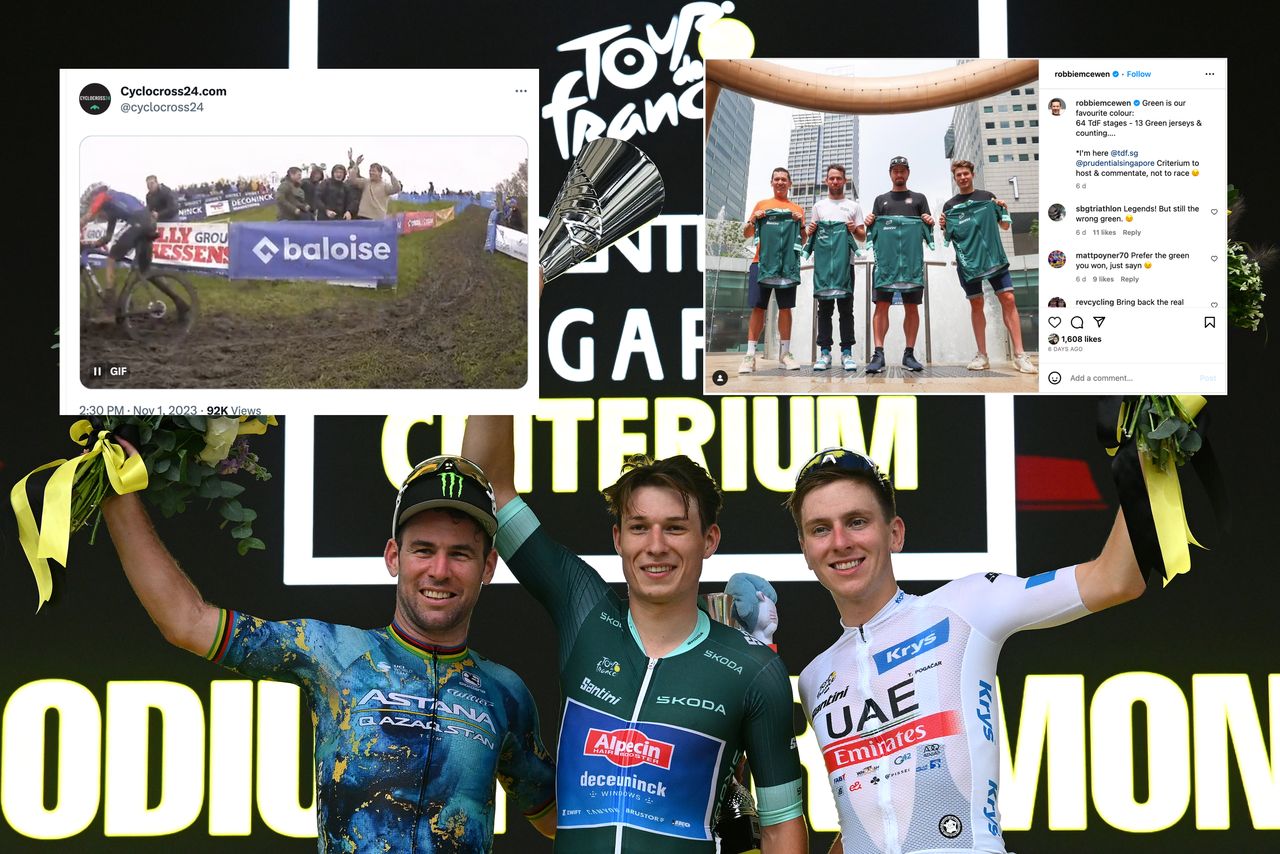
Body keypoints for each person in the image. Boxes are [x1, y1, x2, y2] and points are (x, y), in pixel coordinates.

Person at [99, 451, 557, 852]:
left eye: (460, 554)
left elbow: (558, 821)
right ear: (394, 556)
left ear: (488, 567)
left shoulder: (505, 694)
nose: (440, 570)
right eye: (423, 550)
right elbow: (188, 622)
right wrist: (116, 492)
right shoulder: (330, 653)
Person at [461, 416, 809, 853]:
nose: (656, 545)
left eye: (676, 527)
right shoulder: (584, 609)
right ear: (618, 538)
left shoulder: (755, 669)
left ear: (709, 539)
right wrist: (499, 386)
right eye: (639, 527)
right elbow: (488, 485)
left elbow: (781, 827)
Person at [786, 448, 1143, 854]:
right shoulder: (816, 677)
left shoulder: (967, 605)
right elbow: (866, 821)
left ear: (895, 533)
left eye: (856, 522)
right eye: (820, 529)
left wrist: (1146, 463)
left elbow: (1115, 580)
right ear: (805, 550)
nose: (840, 542)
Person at [939, 160, 1037, 374]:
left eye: (966, 173)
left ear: (972, 174)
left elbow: (1004, 225)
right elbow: (947, 238)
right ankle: (982, 355)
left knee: (1009, 299)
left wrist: (1004, 209)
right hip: (968, 263)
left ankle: (1020, 355)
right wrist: (944, 226)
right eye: (959, 175)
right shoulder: (950, 206)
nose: (963, 177)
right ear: (955, 179)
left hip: (994, 258)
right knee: (976, 303)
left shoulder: (987, 197)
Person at [863, 156, 934, 373]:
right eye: (896, 170)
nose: (899, 174)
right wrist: (869, 223)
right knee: (881, 306)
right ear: (890, 173)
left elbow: (928, 229)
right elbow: (871, 231)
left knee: (911, 307)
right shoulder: (881, 200)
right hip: (886, 265)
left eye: (903, 170)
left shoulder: (919, 198)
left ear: (908, 173)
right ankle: (878, 354)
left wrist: (929, 222)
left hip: (912, 265)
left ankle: (909, 353)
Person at [740, 167, 806, 373]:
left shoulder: (798, 209)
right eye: (776, 179)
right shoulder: (762, 205)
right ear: (771, 182)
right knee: (758, 308)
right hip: (760, 263)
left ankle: (785, 354)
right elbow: (747, 233)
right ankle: (750, 356)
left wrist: (800, 224)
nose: (780, 182)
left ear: (790, 184)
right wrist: (754, 218)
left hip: (787, 265)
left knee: (786, 308)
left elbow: (802, 240)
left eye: (784, 179)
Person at [806, 164, 865, 372]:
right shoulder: (818, 206)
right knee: (824, 310)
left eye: (838, 178)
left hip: (846, 265)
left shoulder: (853, 206)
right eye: (831, 178)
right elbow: (810, 236)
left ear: (844, 181)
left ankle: (847, 353)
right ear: (826, 181)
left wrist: (854, 229)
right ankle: (824, 352)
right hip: (823, 267)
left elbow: (862, 236)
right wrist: (809, 229)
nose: (835, 182)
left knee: (846, 309)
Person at [79, 182, 159, 316]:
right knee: (145, 272)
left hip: (138, 221)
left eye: (91, 201)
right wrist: (91, 245)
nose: (95, 207)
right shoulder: (115, 204)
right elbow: (108, 237)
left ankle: (109, 310)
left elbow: (88, 216)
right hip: (149, 223)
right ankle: (180, 302)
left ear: (95, 195)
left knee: (111, 259)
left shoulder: (103, 196)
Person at [347, 147, 404, 220]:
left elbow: (397, 188)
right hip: (362, 216)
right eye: (370, 171)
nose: (371, 173)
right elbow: (352, 179)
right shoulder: (365, 182)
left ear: (380, 173)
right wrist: (356, 164)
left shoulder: (385, 186)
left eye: (374, 171)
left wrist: (390, 174)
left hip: (377, 218)